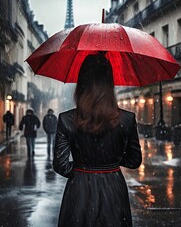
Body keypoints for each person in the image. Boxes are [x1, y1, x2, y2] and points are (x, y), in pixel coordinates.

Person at [53, 53, 142, 227]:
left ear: (81, 83)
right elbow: (134, 160)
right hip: (114, 190)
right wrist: (111, 162)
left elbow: (61, 165)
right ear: (110, 84)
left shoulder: (66, 119)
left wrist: (82, 170)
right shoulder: (127, 119)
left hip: (79, 192)